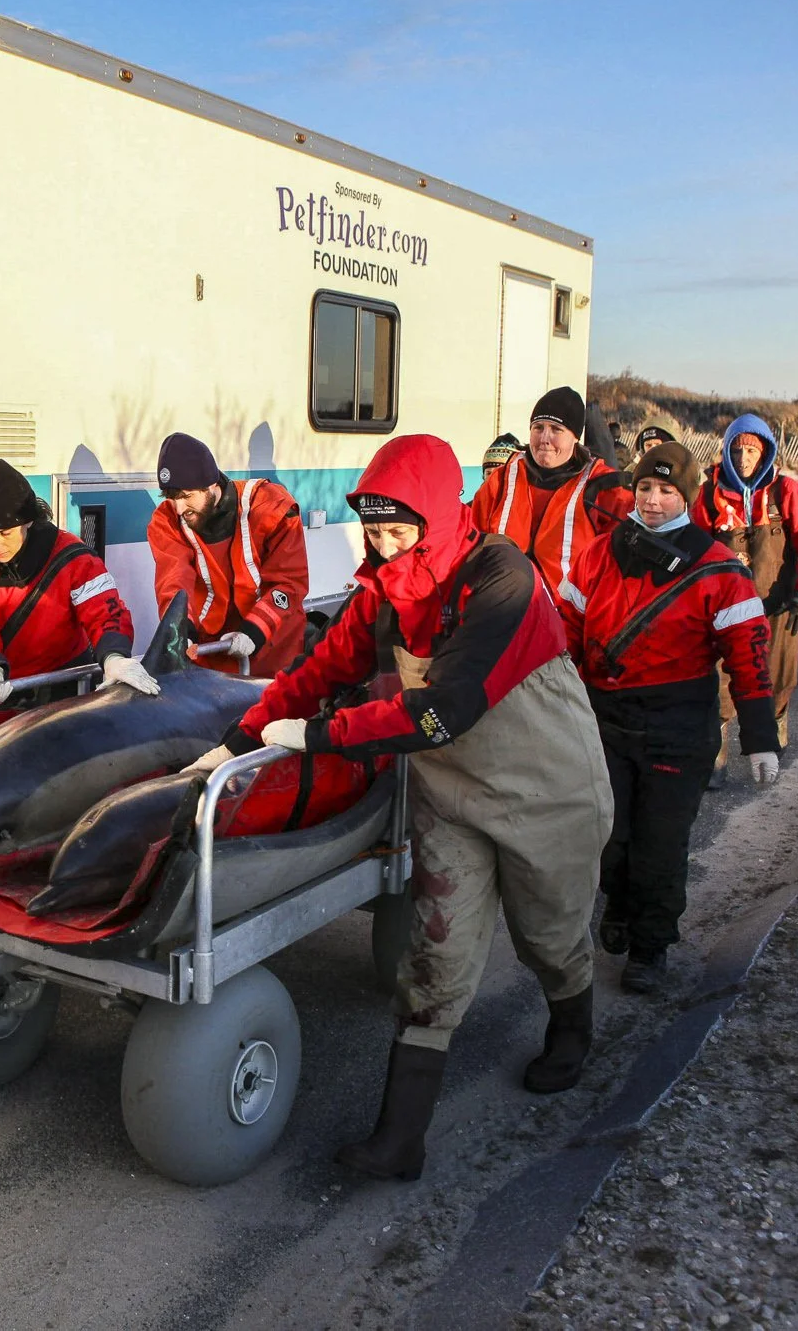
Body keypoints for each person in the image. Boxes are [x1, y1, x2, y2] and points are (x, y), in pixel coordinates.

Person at [185, 434, 612, 1181]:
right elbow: (322, 668)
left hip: (543, 780)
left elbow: (445, 711)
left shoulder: (500, 580)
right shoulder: (383, 588)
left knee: (549, 928)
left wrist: (319, 738)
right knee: (435, 949)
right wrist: (238, 740)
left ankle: (572, 1026)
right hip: (449, 792)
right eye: (373, 531)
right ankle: (400, 1138)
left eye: (397, 531)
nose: (381, 547)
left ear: (438, 520)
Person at [557, 442, 781, 994]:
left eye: (666, 491)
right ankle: (620, 902)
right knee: (609, 836)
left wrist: (759, 739)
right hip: (606, 721)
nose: (653, 501)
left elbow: (749, 659)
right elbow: (564, 632)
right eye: (644, 489)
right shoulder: (598, 554)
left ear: (688, 496)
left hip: (678, 730)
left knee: (659, 844)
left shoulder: (719, 569)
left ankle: (650, 947)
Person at [0, 457, 156, 706]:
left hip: (67, 687)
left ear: (28, 522)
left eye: (5, 533)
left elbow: (104, 610)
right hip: (1, 687)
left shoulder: (72, 555)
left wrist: (114, 657)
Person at [694, 414, 798, 756]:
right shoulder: (710, 494)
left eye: (752, 451)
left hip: (779, 605)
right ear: (726, 451)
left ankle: (774, 731)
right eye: (737, 450)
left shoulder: (786, 492)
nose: (743, 459)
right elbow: (692, 550)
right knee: (720, 683)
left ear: (766, 453)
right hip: (724, 612)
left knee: (777, 677)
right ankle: (717, 749)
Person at [145, 431, 310, 676]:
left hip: (273, 649)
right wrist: (181, 632)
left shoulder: (272, 508)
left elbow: (288, 583)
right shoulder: (166, 521)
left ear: (211, 485)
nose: (179, 508)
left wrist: (254, 631)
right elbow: (174, 580)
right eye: (171, 498)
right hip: (211, 652)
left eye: (186, 496)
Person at [469, 385, 632, 604]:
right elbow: (469, 542)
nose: (545, 438)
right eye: (538, 427)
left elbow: (623, 567)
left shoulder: (604, 488)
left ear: (575, 437)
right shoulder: (500, 481)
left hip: (566, 622)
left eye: (556, 429)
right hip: (502, 612)